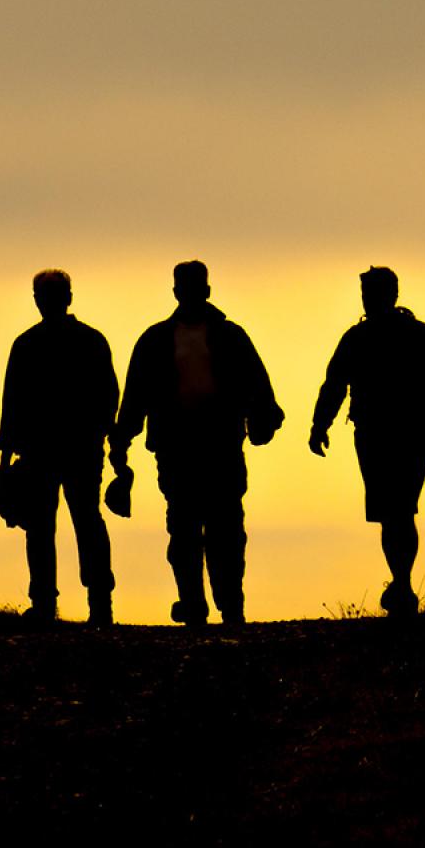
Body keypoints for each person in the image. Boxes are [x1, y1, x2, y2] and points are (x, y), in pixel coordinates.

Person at [108, 260, 283, 626]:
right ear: (180, 291)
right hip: (178, 448)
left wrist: (264, 418)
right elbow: (136, 396)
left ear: (203, 290)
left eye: (192, 286)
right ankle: (195, 604)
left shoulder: (228, 336)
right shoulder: (157, 340)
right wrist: (122, 440)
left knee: (224, 529)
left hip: (220, 445)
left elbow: (258, 385)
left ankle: (228, 604)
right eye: (184, 286)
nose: (188, 292)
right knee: (188, 529)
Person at [310, 266, 425, 617]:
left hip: (397, 431)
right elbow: (335, 384)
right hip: (389, 431)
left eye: (371, 292)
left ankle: (402, 583)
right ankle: (402, 582)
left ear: (389, 294)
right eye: (366, 293)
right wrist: (320, 425)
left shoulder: (383, 336)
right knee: (396, 512)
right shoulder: (396, 336)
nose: (368, 299)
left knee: (398, 510)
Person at [0, 269, 119, 625]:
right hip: (65, 449)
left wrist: (5, 458)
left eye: (48, 296)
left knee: (59, 525)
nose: (45, 302)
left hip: (55, 450)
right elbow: (108, 396)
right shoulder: (88, 341)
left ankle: (56, 605)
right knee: (76, 523)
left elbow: (12, 404)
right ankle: (91, 605)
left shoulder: (29, 344)